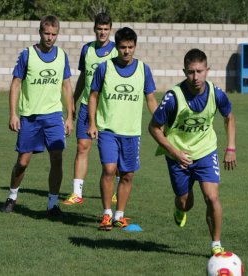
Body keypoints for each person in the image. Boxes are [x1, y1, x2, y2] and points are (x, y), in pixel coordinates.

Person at [148, 48, 237, 255]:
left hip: (206, 151)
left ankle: (216, 244)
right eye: (190, 72)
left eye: (199, 71)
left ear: (207, 70)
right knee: (185, 202)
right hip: (178, 156)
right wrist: (175, 151)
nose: (195, 77)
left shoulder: (216, 93)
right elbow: (153, 128)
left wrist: (230, 147)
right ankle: (180, 208)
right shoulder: (173, 97)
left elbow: (229, 117)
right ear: (184, 71)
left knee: (212, 197)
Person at [1, 15, 74, 217]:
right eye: (46, 33)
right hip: (30, 117)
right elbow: (16, 84)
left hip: (53, 116)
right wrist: (13, 114)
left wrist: (69, 117)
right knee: (23, 162)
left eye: (53, 34)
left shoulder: (62, 56)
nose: (50, 38)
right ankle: (12, 196)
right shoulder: (27, 55)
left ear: (57, 34)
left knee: (57, 158)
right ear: (40, 32)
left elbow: (67, 86)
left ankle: (52, 204)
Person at [87, 27, 158, 230]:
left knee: (127, 174)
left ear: (135, 46)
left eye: (130, 47)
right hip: (108, 129)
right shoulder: (104, 68)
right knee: (109, 169)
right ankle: (107, 214)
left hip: (131, 132)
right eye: (123, 47)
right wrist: (92, 123)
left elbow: (151, 99)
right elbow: (93, 96)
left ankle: (120, 215)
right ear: (116, 47)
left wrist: (160, 121)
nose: (127, 51)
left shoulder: (144, 69)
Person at [62, 12, 118, 206]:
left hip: (109, 107)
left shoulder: (117, 50)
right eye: (99, 29)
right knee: (82, 147)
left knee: (113, 152)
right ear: (94, 29)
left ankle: (115, 192)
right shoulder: (87, 49)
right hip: (87, 105)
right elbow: (83, 79)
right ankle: (77, 193)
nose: (102, 32)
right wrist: (73, 103)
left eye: (106, 29)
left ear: (110, 30)